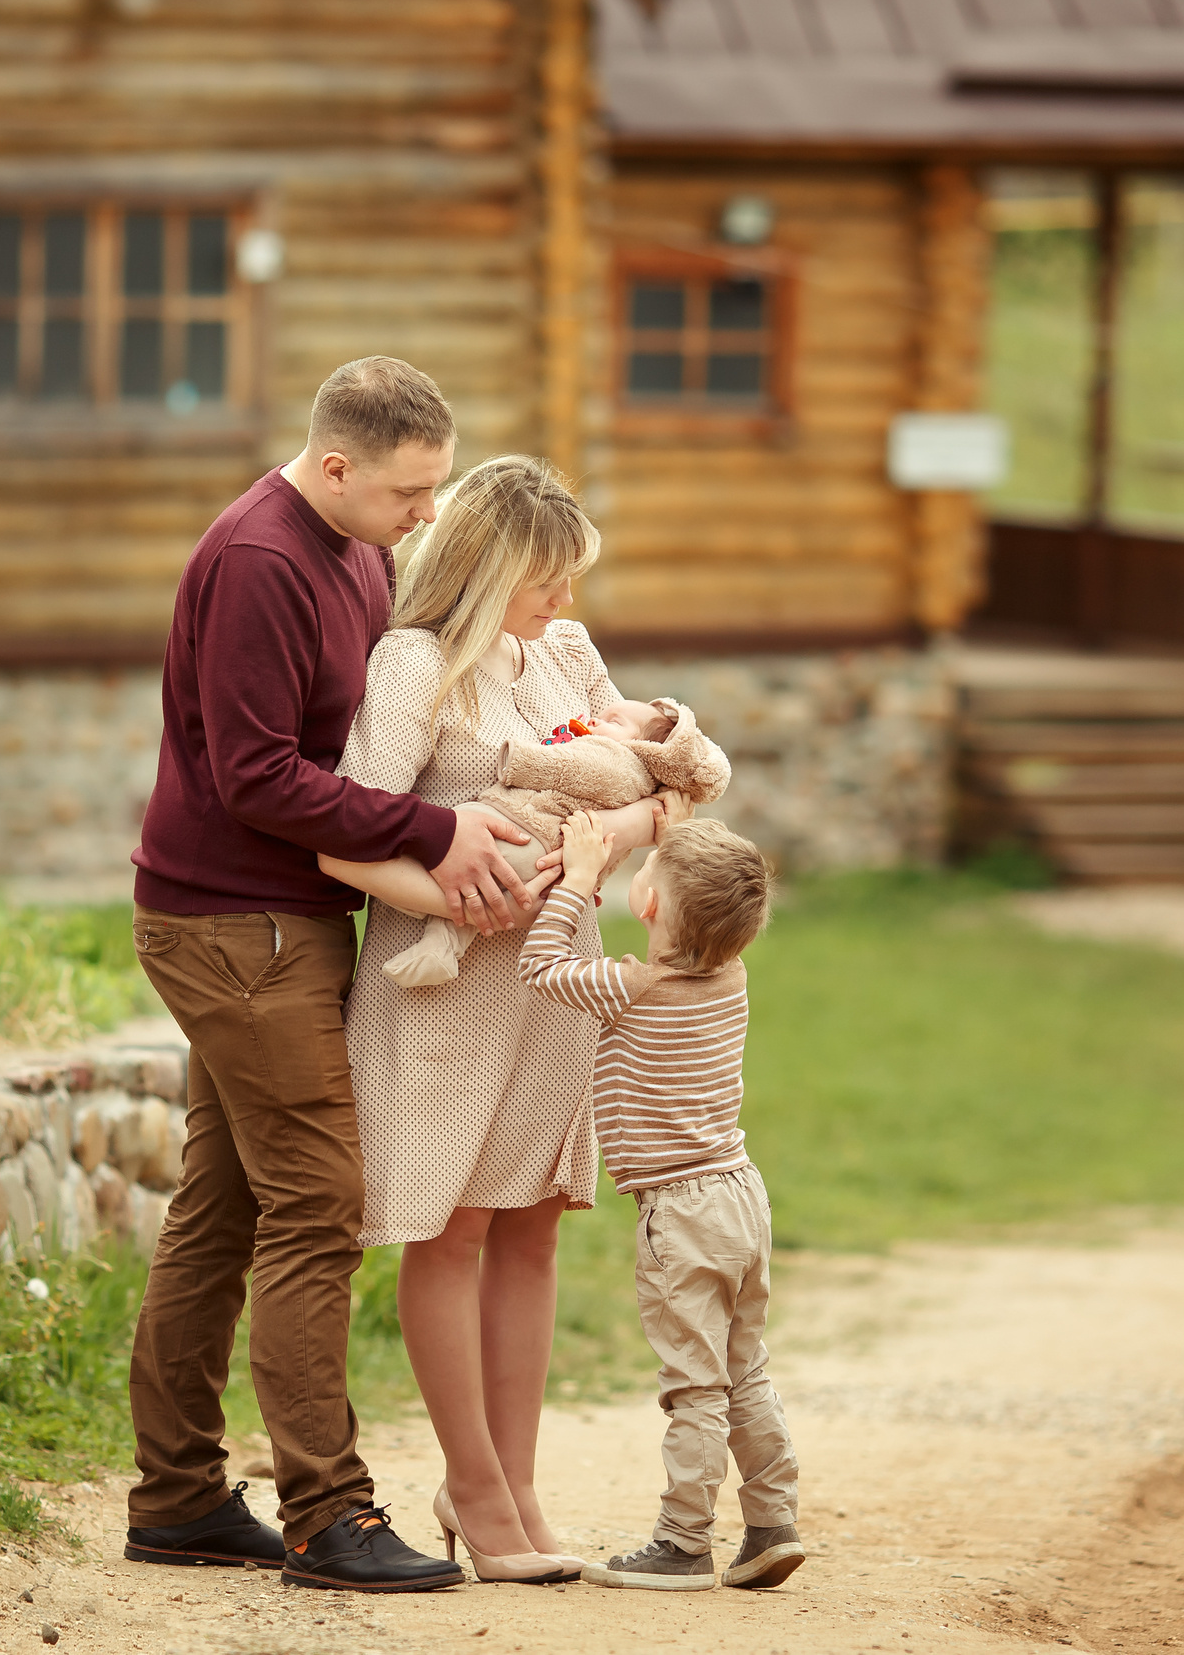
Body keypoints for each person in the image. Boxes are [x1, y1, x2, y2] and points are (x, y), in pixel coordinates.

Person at [122, 357, 537, 1594]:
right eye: (411, 492)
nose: (427, 516)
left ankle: (181, 1500)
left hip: (287, 916)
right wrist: (434, 835)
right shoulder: (261, 559)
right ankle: (325, 1515)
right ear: (337, 465)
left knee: (224, 1211)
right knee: (317, 1202)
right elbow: (254, 775)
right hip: (233, 925)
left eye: (438, 490)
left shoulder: (361, 547)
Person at [320, 456, 683, 1584]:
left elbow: (658, 788)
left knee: (532, 1221)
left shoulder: (563, 655)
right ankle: (472, 1487)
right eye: (546, 582)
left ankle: (518, 1490)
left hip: (557, 964)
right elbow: (347, 831)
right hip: (443, 982)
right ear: (487, 571)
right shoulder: (413, 664)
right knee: (453, 1228)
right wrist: (462, 892)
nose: (565, 605)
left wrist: (607, 847)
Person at [517, 811, 803, 1593]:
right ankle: (773, 1523)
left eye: (648, 867)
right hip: (741, 1195)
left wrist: (577, 881)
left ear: (645, 904)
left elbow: (539, 968)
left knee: (695, 1383)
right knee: (745, 1370)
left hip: (680, 1210)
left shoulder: (631, 986)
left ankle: (682, 1543)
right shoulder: (732, 976)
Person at [373, 693, 730, 988]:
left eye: (613, 721)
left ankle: (418, 896)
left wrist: (520, 760)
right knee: (478, 886)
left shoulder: (613, 759)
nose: (595, 721)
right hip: (548, 862)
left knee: (460, 826)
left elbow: (565, 767)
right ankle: (442, 945)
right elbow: (652, 820)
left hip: (522, 829)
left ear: (643, 748)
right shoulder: (627, 772)